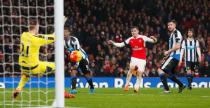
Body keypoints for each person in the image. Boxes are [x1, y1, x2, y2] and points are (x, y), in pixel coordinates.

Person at [13, 19, 75, 99]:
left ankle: (18, 89)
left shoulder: (23, 35)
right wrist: (61, 23)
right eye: (38, 26)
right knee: (59, 67)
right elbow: (54, 37)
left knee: (26, 74)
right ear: (36, 27)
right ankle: (62, 93)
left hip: (22, 65)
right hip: (34, 67)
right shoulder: (37, 39)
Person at [108, 26, 157, 93]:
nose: (133, 32)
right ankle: (127, 84)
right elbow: (121, 44)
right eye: (132, 31)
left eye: (134, 31)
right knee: (131, 68)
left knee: (140, 72)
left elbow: (154, 41)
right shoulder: (130, 39)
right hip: (134, 58)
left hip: (142, 59)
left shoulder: (143, 37)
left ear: (138, 31)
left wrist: (154, 38)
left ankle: (136, 87)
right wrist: (113, 43)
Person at [157, 20, 186, 93]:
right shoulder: (173, 33)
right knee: (168, 73)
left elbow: (178, 46)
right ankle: (181, 85)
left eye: (171, 25)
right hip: (173, 56)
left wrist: (168, 52)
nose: (169, 26)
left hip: (175, 56)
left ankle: (167, 89)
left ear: (175, 25)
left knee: (160, 70)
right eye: (168, 25)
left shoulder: (176, 33)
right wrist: (168, 55)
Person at [64, 27, 95, 94]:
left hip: (82, 57)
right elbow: (67, 52)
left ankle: (92, 87)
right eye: (63, 32)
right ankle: (73, 89)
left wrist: (77, 64)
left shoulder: (74, 40)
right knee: (73, 72)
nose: (64, 33)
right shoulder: (63, 42)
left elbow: (78, 53)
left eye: (66, 32)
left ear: (69, 33)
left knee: (86, 74)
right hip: (73, 58)